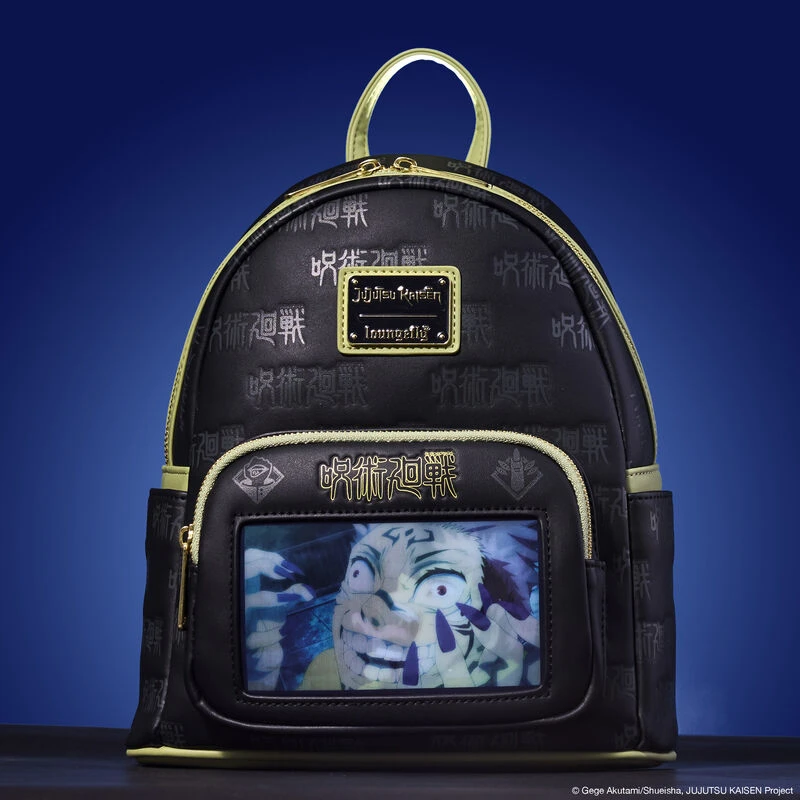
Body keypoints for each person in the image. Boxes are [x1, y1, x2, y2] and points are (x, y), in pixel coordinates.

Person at [244, 520, 540, 691]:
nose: (372, 614)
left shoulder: (529, 676)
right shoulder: (326, 671)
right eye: (360, 574)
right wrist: (259, 683)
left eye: (439, 589)